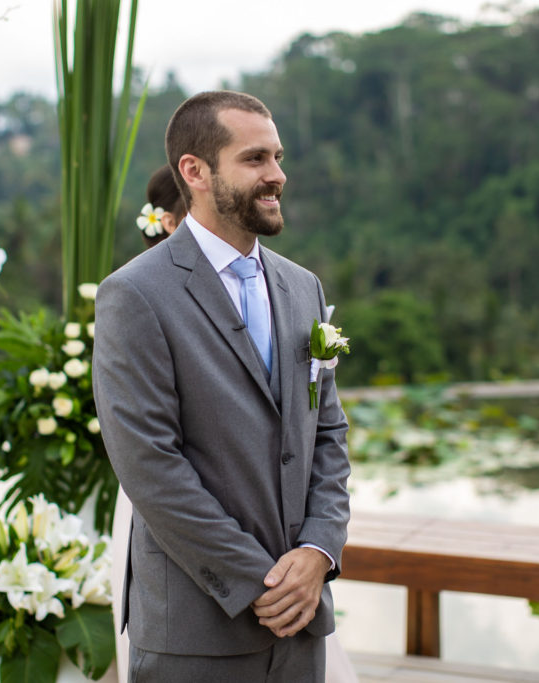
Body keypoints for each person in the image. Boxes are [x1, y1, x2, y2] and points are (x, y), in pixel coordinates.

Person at [94, 90, 351, 683]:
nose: (277, 176)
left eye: (278, 157)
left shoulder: (302, 287)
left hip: (302, 623)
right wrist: (259, 583)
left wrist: (318, 552)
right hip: (197, 628)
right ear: (195, 171)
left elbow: (329, 434)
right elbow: (151, 467)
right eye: (255, 159)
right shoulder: (135, 295)